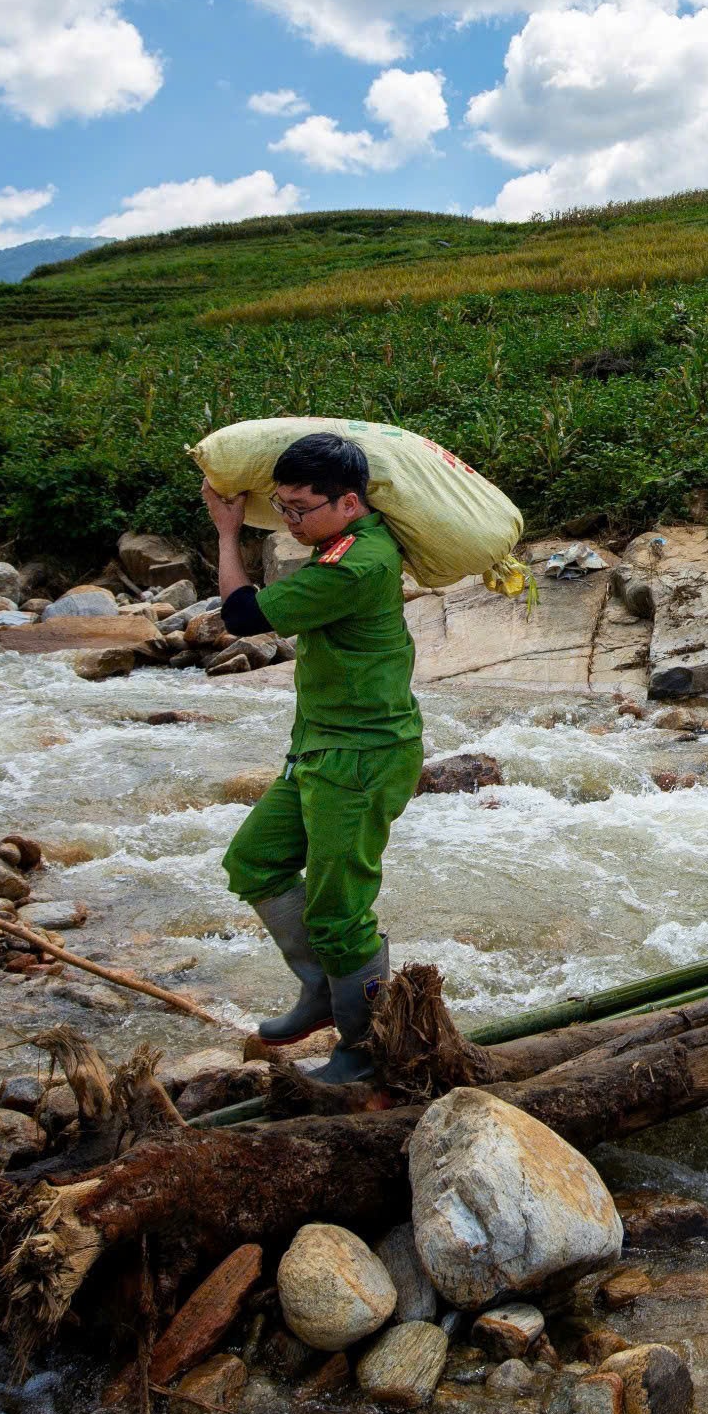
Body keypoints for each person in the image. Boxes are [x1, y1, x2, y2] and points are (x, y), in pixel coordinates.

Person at [203, 434, 424, 1083]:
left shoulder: (355, 566)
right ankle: (324, 993)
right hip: (322, 747)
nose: (291, 521)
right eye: (283, 508)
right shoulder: (347, 539)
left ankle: (365, 1045)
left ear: (348, 502)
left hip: (361, 756)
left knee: (339, 910)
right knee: (254, 858)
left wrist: (227, 531)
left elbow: (241, 615)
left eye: (301, 508)